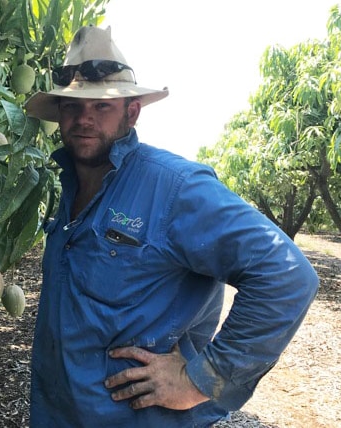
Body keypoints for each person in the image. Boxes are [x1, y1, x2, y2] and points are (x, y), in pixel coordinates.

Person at [24, 25, 319, 427]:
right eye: (72, 106)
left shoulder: (173, 186)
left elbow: (287, 275)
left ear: (132, 111)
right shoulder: (70, 186)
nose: (83, 119)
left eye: (101, 106)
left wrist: (201, 379)